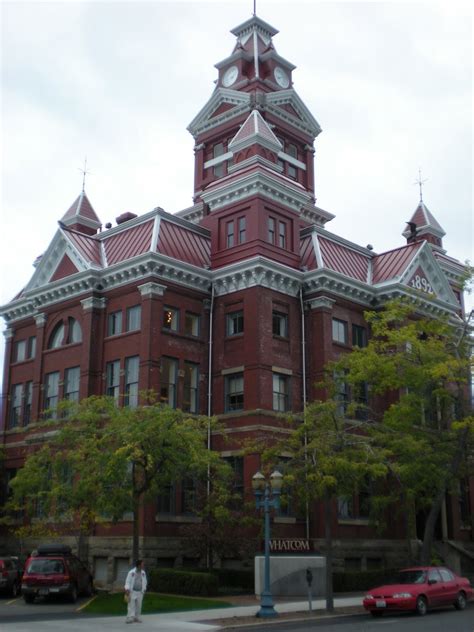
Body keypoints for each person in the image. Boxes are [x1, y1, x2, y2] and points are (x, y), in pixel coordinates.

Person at [124, 559, 147, 623]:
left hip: (140, 592)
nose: (143, 565)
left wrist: (144, 589)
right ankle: (130, 618)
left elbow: (145, 582)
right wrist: (127, 589)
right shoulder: (131, 572)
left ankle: (137, 617)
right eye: (142, 564)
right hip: (132, 591)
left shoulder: (143, 573)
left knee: (139, 605)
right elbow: (127, 581)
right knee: (131, 605)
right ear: (139, 565)